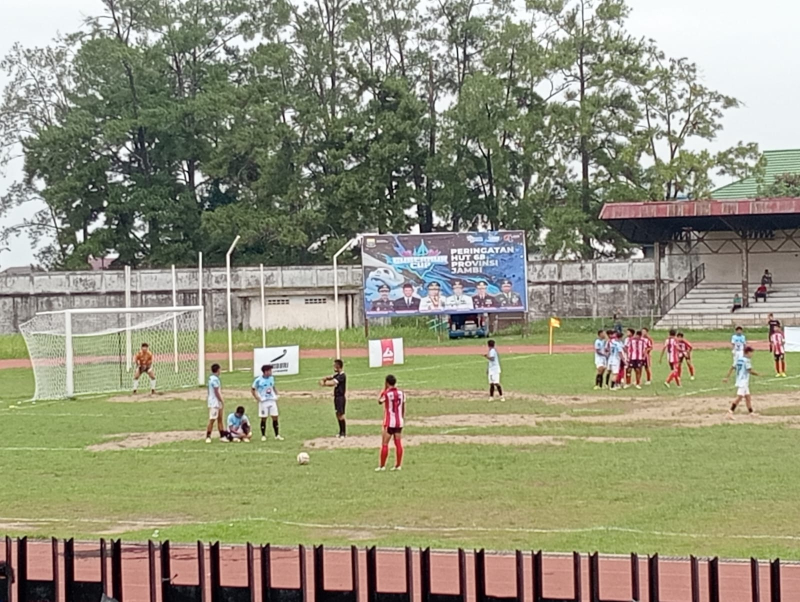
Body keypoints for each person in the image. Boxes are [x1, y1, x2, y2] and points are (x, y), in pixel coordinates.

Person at [376, 374, 406, 472]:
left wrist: (384, 390)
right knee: (398, 443)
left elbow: (380, 401)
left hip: (390, 422)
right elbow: (403, 407)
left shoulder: (387, 394)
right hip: (399, 421)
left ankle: (382, 466)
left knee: (385, 444)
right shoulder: (401, 393)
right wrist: (402, 417)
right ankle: (398, 465)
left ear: (387, 382)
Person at [723, 346, 759, 419]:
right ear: (747, 353)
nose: (752, 355)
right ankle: (730, 412)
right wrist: (758, 374)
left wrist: (727, 377)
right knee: (739, 397)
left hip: (740, 380)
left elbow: (732, 367)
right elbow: (749, 370)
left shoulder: (739, 359)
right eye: (751, 353)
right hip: (743, 381)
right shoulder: (747, 361)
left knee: (748, 397)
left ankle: (751, 412)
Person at [251, 364, 284, 441]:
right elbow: (253, 389)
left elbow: (273, 386)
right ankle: (263, 435)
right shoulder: (258, 380)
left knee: (275, 417)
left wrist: (276, 393)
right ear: (265, 372)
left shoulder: (271, 378)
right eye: (269, 371)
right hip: (263, 401)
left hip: (272, 400)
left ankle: (277, 435)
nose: (271, 372)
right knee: (264, 418)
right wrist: (257, 398)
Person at [320, 359, 348, 437]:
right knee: (337, 414)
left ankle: (343, 432)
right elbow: (330, 377)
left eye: (335, 366)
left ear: (338, 366)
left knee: (341, 415)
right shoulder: (337, 375)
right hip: (336, 397)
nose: (334, 367)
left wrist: (324, 384)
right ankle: (340, 432)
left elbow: (332, 383)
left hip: (340, 398)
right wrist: (325, 378)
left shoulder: (342, 376)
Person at [205, 363, 228, 443]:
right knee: (212, 419)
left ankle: (222, 436)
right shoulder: (214, 380)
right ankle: (208, 436)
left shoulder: (211, 378)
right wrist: (221, 400)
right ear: (218, 370)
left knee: (220, 419)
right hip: (214, 402)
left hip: (215, 401)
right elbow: (216, 392)